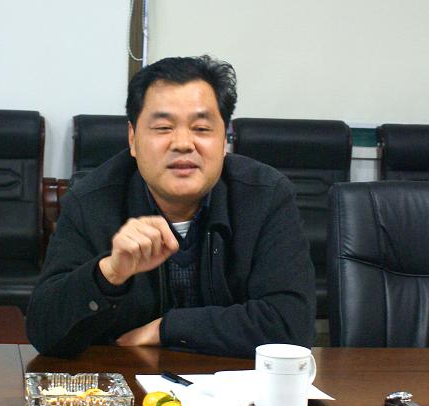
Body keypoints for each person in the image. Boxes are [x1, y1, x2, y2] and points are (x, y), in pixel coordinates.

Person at [27, 55, 316, 358]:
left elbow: (292, 326)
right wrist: (109, 273)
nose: (183, 143)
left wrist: (166, 328)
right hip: (124, 382)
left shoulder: (265, 196)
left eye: (201, 128)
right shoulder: (91, 201)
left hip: (233, 385)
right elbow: (44, 333)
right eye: (164, 127)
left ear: (224, 140)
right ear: (133, 139)